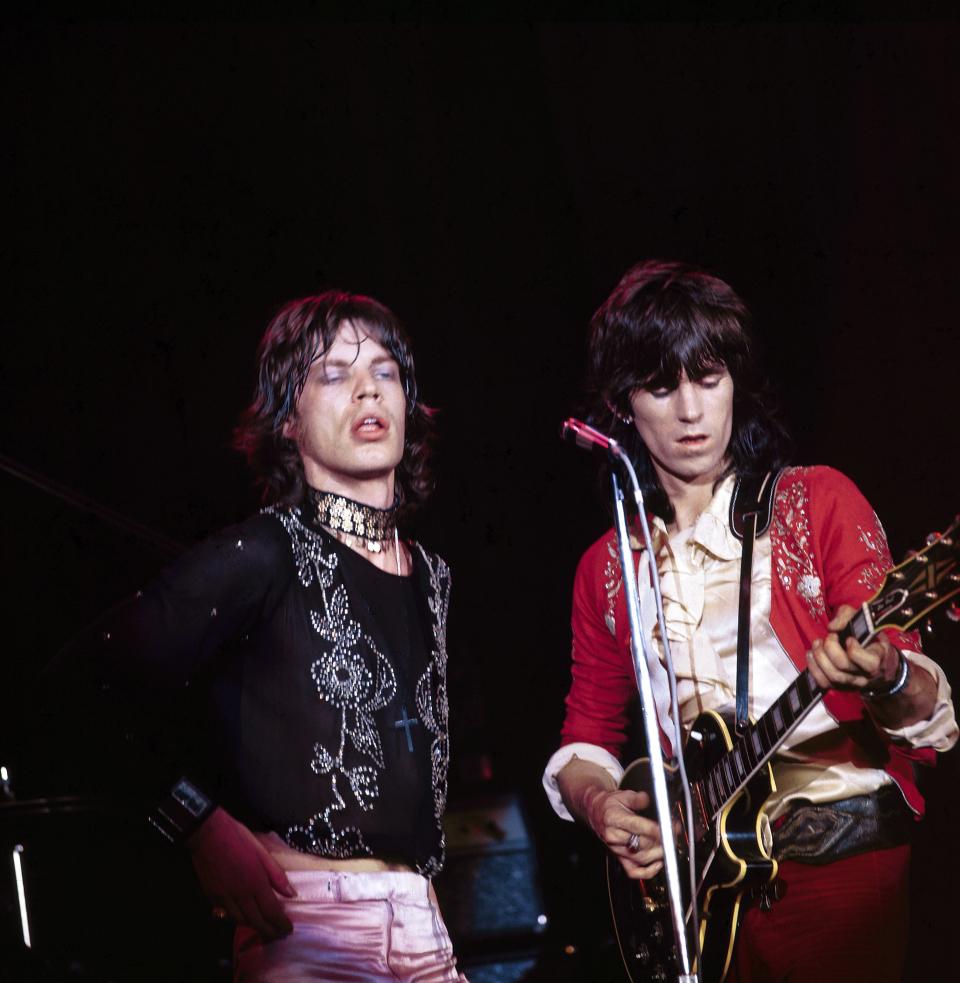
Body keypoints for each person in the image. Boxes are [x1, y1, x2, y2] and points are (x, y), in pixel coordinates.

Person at [542, 260, 957, 982]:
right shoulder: (606, 565)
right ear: (621, 404)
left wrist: (885, 670)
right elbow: (586, 735)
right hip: (705, 888)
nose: (691, 411)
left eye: (708, 378)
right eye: (662, 386)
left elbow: (924, 704)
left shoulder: (817, 501)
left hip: (839, 853)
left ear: (735, 379)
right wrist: (601, 801)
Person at [51, 291, 467, 981]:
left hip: (427, 925)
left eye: (385, 369)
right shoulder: (263, 552)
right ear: (287, 422)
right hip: (308, 926)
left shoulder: (432, 573)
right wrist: (196, 823)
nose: (368, 387)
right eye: (332, 373)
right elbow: (81, 685)